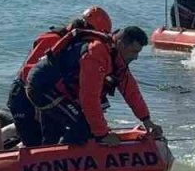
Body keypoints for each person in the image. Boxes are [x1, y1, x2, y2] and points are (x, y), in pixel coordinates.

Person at [24, 24, 161, 146]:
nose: (136, 57)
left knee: (59, 133)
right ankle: (64, 158)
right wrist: (102, 135)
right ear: (121, 44)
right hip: (43, 87)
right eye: (134, 52)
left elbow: (131, 91)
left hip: (61, 89)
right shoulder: (96, 53)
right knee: (84, 128)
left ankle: (50, 156)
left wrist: (147, 121)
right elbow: (89, 98)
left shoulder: (117, 58)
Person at [7, 6, 112, 146]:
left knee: (50, 138)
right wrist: (37, 105)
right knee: (34, 142)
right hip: (24, 96)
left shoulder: (71, 45)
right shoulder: (54, 40)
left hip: (45, 94)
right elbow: (29, 73)